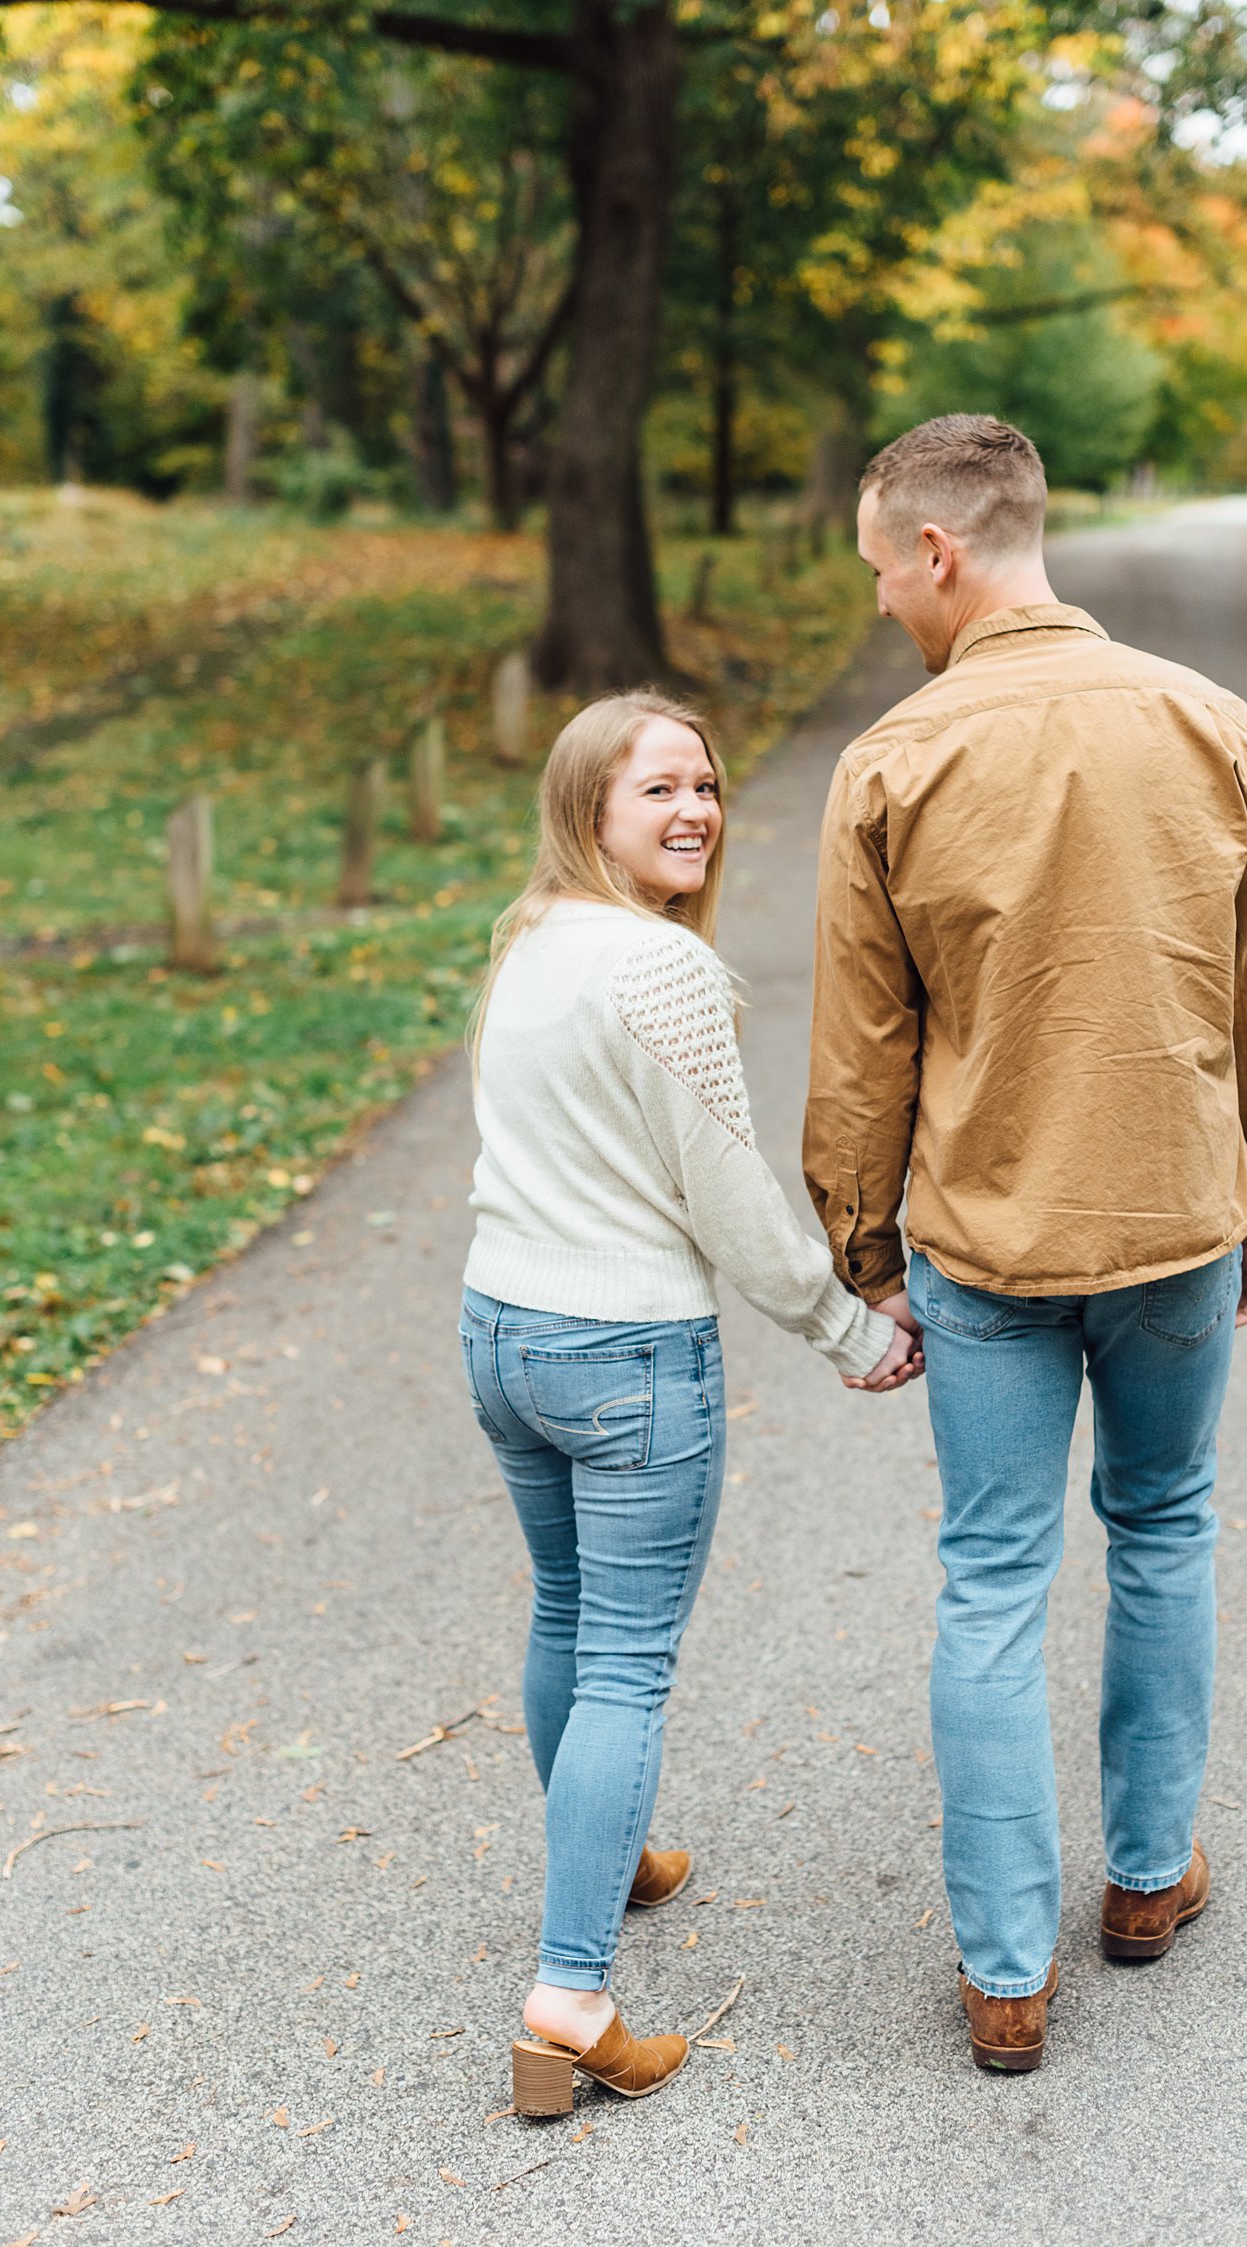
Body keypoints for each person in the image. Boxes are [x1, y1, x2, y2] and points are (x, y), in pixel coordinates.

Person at [804, 415, 1247, 2072]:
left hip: (984, 1240)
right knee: (1164, 1525)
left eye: (883, 569)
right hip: (1171, 1218)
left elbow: (864, 1052)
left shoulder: (891, 764)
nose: (884, 604)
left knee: (992, 1578)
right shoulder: (1209, 721)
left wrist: (865, 1253)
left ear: (939, 552)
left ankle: (1007, 1975)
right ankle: (1149, 1882)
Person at [461, 690, 917, 2118]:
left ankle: (617, 1847)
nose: (693, 811)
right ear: (585, 807)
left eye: (706, 786)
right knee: (625, 1663)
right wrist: (846, 1326)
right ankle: (571, 1996)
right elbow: (725, 1201)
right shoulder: (658, 970)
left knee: (566, 1612)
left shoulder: (526, 943)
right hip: (627, 1354)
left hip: (503, 1333)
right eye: (656, 789)